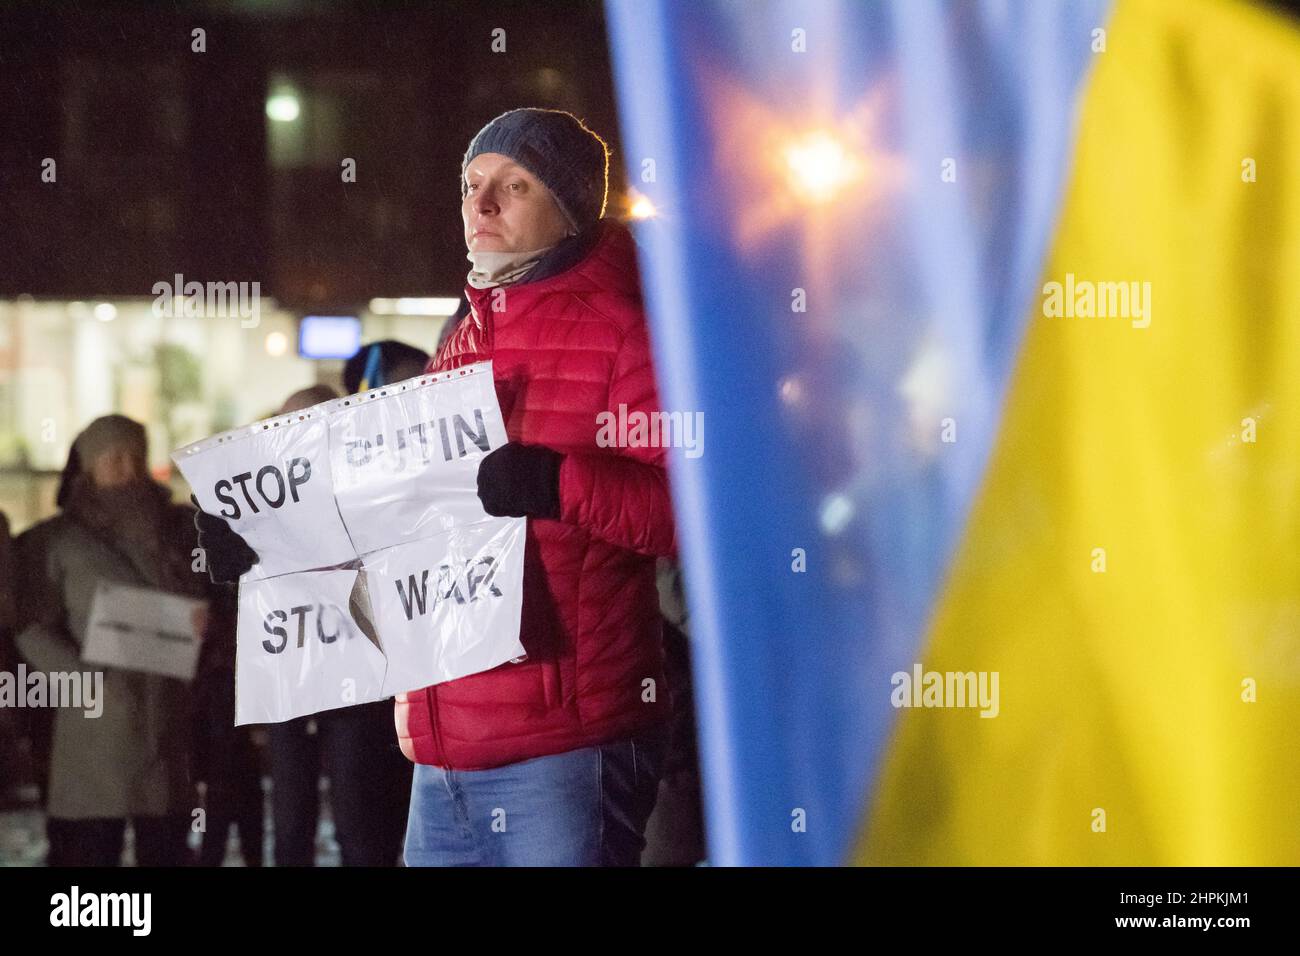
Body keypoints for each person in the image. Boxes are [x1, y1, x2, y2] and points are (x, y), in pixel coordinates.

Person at [198, 108, 678, 866]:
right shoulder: (464, 335)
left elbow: (685, 519)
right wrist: (268, 537)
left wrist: (561, 483)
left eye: (514, 185)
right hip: (438, 743)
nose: (481, 205)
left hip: (565, 747)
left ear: (573, 207)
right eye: (471, 184)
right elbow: (403, 509)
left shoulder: (628, 330)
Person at [15, 415, 207, 866]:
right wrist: (83, 681)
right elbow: (32, 625)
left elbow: (207, 594)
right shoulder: (54, 542)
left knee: (166, 841)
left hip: (167, 711)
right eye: (113, 458)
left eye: (136, 458)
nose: (127, 469)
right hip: (95, 723)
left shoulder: (182, 532)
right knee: (87, 848)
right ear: (88, 467)